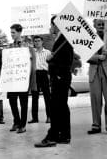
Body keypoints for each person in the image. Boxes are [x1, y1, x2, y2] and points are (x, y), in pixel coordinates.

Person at [35, 15, 74, 147]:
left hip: (60, 77)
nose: (50, 27)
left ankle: (52, 136)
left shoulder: (65, 39)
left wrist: (52, 61)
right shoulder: (60, 39)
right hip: (60, 77)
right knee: (62, 106)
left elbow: (67, 61)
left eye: (52, 25)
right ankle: (64, 135)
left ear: (56, 25)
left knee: (56, 107)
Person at [8, 24, 37, 134]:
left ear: (20, 32)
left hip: (23, 78)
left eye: (13, 32)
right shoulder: (10, 46)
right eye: (10, 32)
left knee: (23, 102)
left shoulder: (27, 45)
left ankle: (23, 125)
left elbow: (32, 61)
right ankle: (16, 121)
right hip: (12, 79)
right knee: (12, 101)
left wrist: (31, 78)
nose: (11, 35)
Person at [29, 35, 51, 124]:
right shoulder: (31, 53)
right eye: (35, 41)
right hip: (35, 74)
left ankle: (49, 116)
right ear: (33, 42)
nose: (37, 42)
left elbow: (50, 65)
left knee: (47, 96)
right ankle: (35, 118)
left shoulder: (47, 52)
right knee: (34, 96)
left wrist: (49, 75)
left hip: (44, 74)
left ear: (42, 42)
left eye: (38, 41)